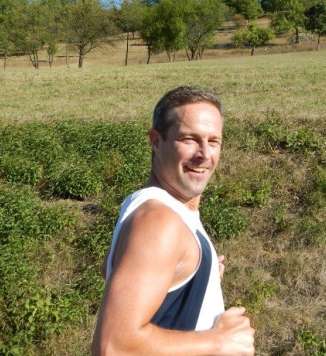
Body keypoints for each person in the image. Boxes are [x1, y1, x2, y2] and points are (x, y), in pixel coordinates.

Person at [91, 86, 255, 355]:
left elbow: (115, 271)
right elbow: (113, 347)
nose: (204, 154)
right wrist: (219, 342)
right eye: (190, 139)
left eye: (214, 141)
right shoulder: (158, 222)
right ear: (156, 141)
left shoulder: (147, 204)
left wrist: (195, 275)